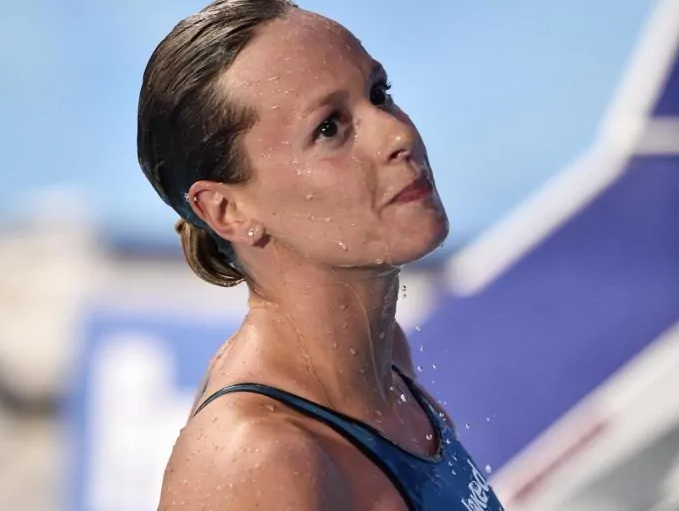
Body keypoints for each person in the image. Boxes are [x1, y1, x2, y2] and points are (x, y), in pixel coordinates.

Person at [137, 1, 504, 509]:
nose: (398, 134)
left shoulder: (385, 364)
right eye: (329, 128)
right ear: (227, 210)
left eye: (379, 94)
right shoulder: (260, 461)